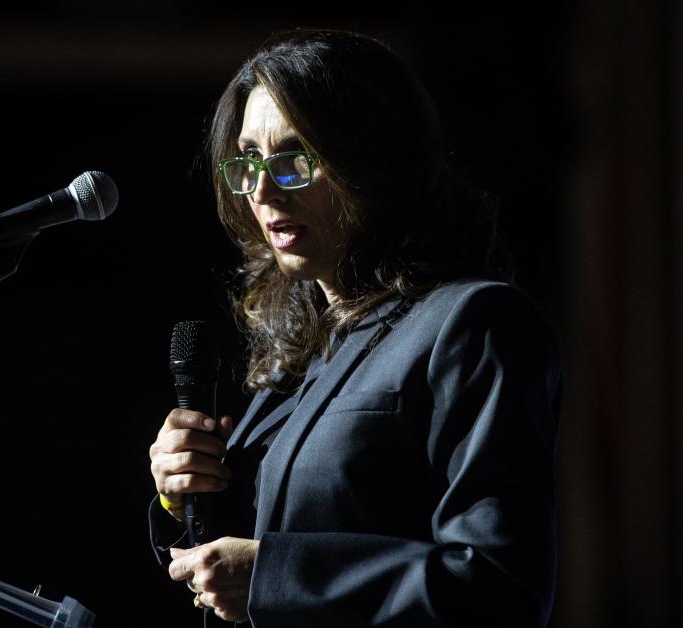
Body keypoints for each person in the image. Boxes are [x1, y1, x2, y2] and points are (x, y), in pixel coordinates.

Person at [148, 29, 562, 627]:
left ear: (373, 161)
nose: (263, 191)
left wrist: (275, 578)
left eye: (294, 159)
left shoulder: (475, 324)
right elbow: (241, 558)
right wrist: (182, 489)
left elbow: (501, 588)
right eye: (247, 162)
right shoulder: (300, 359)